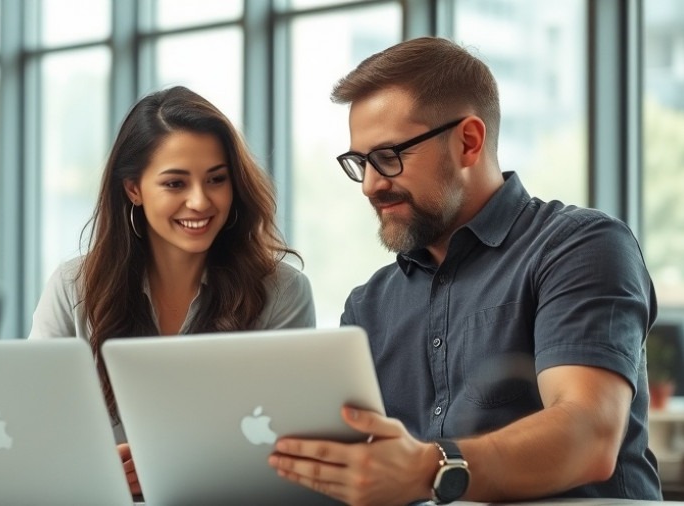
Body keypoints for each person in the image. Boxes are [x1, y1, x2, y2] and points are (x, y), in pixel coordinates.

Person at [268, 36, 660, 504]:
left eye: (389, 157)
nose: (370, 185)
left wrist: (429, 467)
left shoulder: (580, 245)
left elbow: (588, 434)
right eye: (360, 163)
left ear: (468, 142)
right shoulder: (368, 305)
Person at [29, 85, 315, 496]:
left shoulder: (282, 291)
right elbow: (34, 430)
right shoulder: (72, 286)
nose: (200, 201)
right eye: (175, 184)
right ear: (133, 189)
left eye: (216, 179)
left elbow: (289, 450)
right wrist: (90, 467)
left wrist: (171, 468)